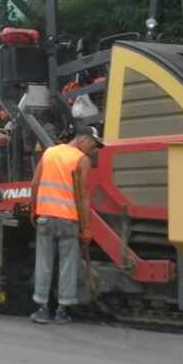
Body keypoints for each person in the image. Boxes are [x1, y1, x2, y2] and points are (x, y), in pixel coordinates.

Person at [29, 125, 104, 325]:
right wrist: (87, 228)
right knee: (67, 265)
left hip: (45, 218)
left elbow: (35, 184)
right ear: (82, 139)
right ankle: (62, 311)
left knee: (44, 263)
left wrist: (33, 209)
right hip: (68, 221)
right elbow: (83, 197)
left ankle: (43, 309)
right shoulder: (82, 159)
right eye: (93, 144)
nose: (93, 149)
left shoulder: (49, 152)